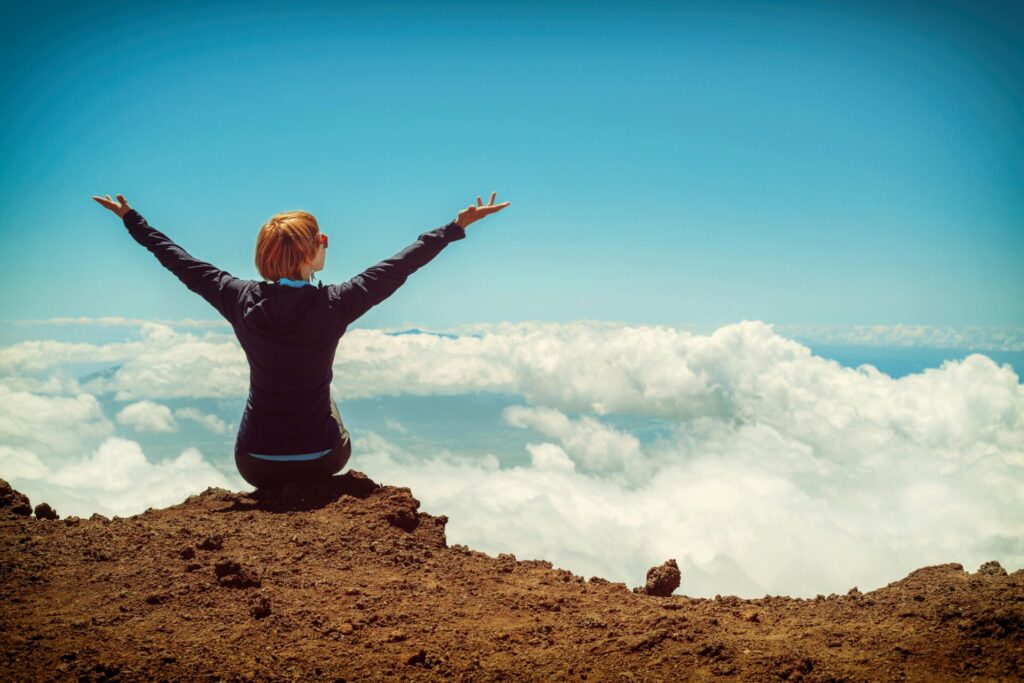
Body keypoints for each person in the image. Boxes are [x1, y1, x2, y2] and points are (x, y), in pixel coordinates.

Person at [91, 192, 511, 490]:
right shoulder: (338, 303)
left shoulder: (235, 297)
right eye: (321, 240)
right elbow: (400, 266)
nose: (325, 244)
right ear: (311, 252)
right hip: (322, 459)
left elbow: (176, 258)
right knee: (324, 392)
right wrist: (455, 227)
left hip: (255, 464)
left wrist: (132, 218)